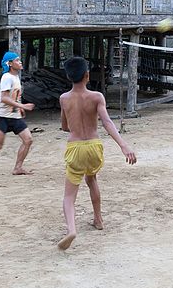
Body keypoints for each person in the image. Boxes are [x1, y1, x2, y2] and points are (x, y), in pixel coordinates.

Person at [58, 56, 136, 250]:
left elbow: (64, 126)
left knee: (69, 196)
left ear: (69, 77)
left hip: (75, 147)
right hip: (94, 146)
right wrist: (123, 145)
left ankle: (71, 230)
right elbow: (107, 122)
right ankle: (98, 219)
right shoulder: (97, 97)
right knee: (91, 179)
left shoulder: (64, 99)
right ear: (87, 75)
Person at [0, 52, 36, 175]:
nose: (20, 62)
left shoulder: (16, 77)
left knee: (28, 140)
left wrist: (19, 108)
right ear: (10, 64)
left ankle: (18, 167)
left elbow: (14, 96)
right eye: (17, 60)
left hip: (15, 116)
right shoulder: (6, 77)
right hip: (2, 117)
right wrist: (22, 106)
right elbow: (4, 98)